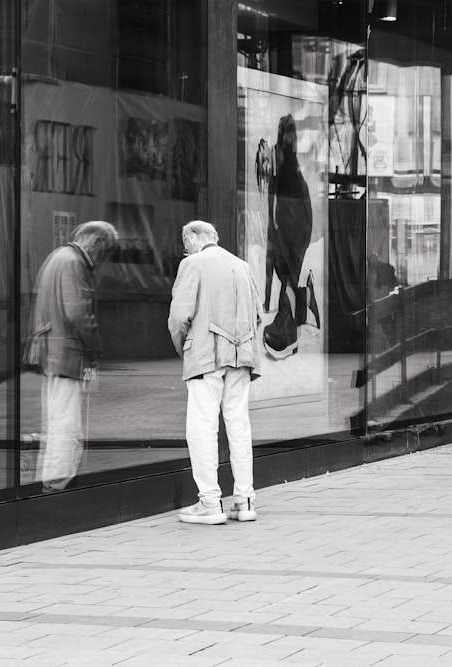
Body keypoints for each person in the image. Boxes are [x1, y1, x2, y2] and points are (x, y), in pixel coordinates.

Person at [168, 220, 263, 525]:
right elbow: (259, 314)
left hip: (206, 355)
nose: (186, 250)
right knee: (238, 424)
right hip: (242, 353)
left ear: (193, 239)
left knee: (202, 425)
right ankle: (245, 500)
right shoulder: (242, 265)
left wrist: (185, 347)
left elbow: (179, 318)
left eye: (186, 244)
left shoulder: (193, 263)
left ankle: (209, 502)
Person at [25, 221, 119, 492]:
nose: (103, 260)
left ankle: (52, 480)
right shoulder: (73, 263)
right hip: (66, 356)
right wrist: (95, 349)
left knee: (56, 421)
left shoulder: (58, 257)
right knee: (65, 424)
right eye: (106, 252)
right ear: (97, 243)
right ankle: (58, 483)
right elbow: (78, 313)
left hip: (54, 355)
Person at [262, 114, 319, 359]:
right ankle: (289, 328)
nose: (289, 137)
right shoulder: (281, 159)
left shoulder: (289, 163)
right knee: (285, 274)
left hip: (294, 225)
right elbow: (274, 195)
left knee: (289, 276)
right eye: (286, 132)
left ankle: (289, 329)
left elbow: (283, 196)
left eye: (291, 133)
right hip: (286, 224)